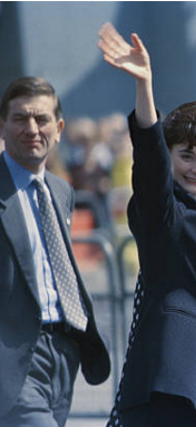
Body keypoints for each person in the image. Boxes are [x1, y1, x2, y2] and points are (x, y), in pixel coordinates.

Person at [97, 22, 196, 427]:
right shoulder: (163, 211)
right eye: (186, 155)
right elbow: (149, 165)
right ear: (170, 156)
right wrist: (145, 87)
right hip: (169, 391)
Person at [0, 76, 111, 425]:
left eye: (42, 119)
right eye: (20, 119)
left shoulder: (61, 190)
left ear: (59, 128)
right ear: (2, 127)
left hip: (64, 351)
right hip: (14, 355)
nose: (32, 128)